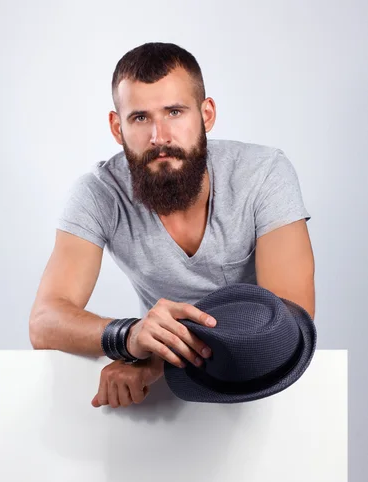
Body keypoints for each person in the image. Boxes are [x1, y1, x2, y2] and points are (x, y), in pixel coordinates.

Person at [29, 42, 315, 409]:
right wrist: (129, 337)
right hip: (170, 402)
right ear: (117, 127)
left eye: (175, 112)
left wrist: (155, 359)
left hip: (264, 381)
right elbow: (44, 321)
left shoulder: (264, 173)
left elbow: (289, 322)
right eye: (140, 118)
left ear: (206, 114)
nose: (159, 137)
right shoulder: (99, 193)